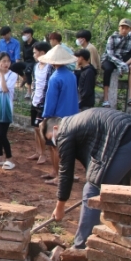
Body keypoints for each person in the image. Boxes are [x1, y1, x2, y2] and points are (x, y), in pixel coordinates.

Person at [44, 108, 131, 249]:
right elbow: (93, 164)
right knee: (116, 189)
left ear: (56, 128)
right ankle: (124, 240)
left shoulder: (64, 131)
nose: (54, 143)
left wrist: (60, 207)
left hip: (128, 142)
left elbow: (66, 173)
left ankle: (81, 248)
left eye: (51, 138)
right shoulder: (76, 124)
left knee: (92, 189)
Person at [41, 45, 80, 184]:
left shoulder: (55, 78)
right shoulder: (72, 76)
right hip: (72, 116)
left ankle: (59, 175)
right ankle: (61, 172)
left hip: (57, 118)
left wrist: (46, 117)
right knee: (67, 148)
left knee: (55, 147)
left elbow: (50, 101)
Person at [100, 19, 131, 108]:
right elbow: (110, 54)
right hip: (109, 59)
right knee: (108, 69)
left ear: (130, 29)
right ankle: (106, 99)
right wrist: (121, 64)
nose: (124, 30)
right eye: (122, 28)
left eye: (126, 28)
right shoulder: (112, 38)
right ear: (119, 28)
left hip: (122, 60)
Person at [27, 42, 54, 165]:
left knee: (40, 128)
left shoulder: (50, 67)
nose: (33, 55)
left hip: (44, 103)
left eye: (35, 52)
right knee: (35, 128)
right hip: (35, 101)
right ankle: (38, 151)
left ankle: (43, 154)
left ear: (42, 53)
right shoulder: (36, 66)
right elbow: (35, 83)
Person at [20, 27, 38, 99]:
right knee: (14, 66)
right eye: (23, 34)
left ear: (30, 34)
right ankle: (24, 78)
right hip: (25, 61)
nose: (24, 36)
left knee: (28, 71)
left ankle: (29, 91)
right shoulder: (24, 44)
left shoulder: (36, 43)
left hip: (33, 61)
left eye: (25, 34)